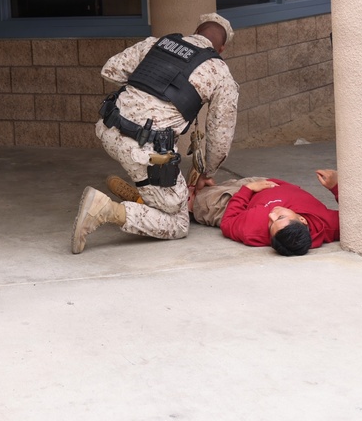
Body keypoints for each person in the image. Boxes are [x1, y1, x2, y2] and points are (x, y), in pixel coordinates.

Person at [71, 13, 239, 254]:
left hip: (108, 129)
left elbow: (110, 70)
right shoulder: (220, 72)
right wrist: (206, 172)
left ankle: (145, 195)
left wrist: (147, 87)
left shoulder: (157, 43)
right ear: (221, 48)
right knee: (178, 222)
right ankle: (106, 210)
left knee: (160, 186)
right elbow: (220, 137)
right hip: (144, 151)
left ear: (196, 31)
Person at [197, 169, 339, 255]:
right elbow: (359, 220)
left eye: (271, 225)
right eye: (281, 217)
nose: (271, 215)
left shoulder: (253, 230)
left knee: (195, 198)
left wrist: (247, 190)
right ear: (302, 220)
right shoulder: (329, 224)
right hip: (263, 183)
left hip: (236, 201)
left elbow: (227, 223)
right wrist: (335, 186)